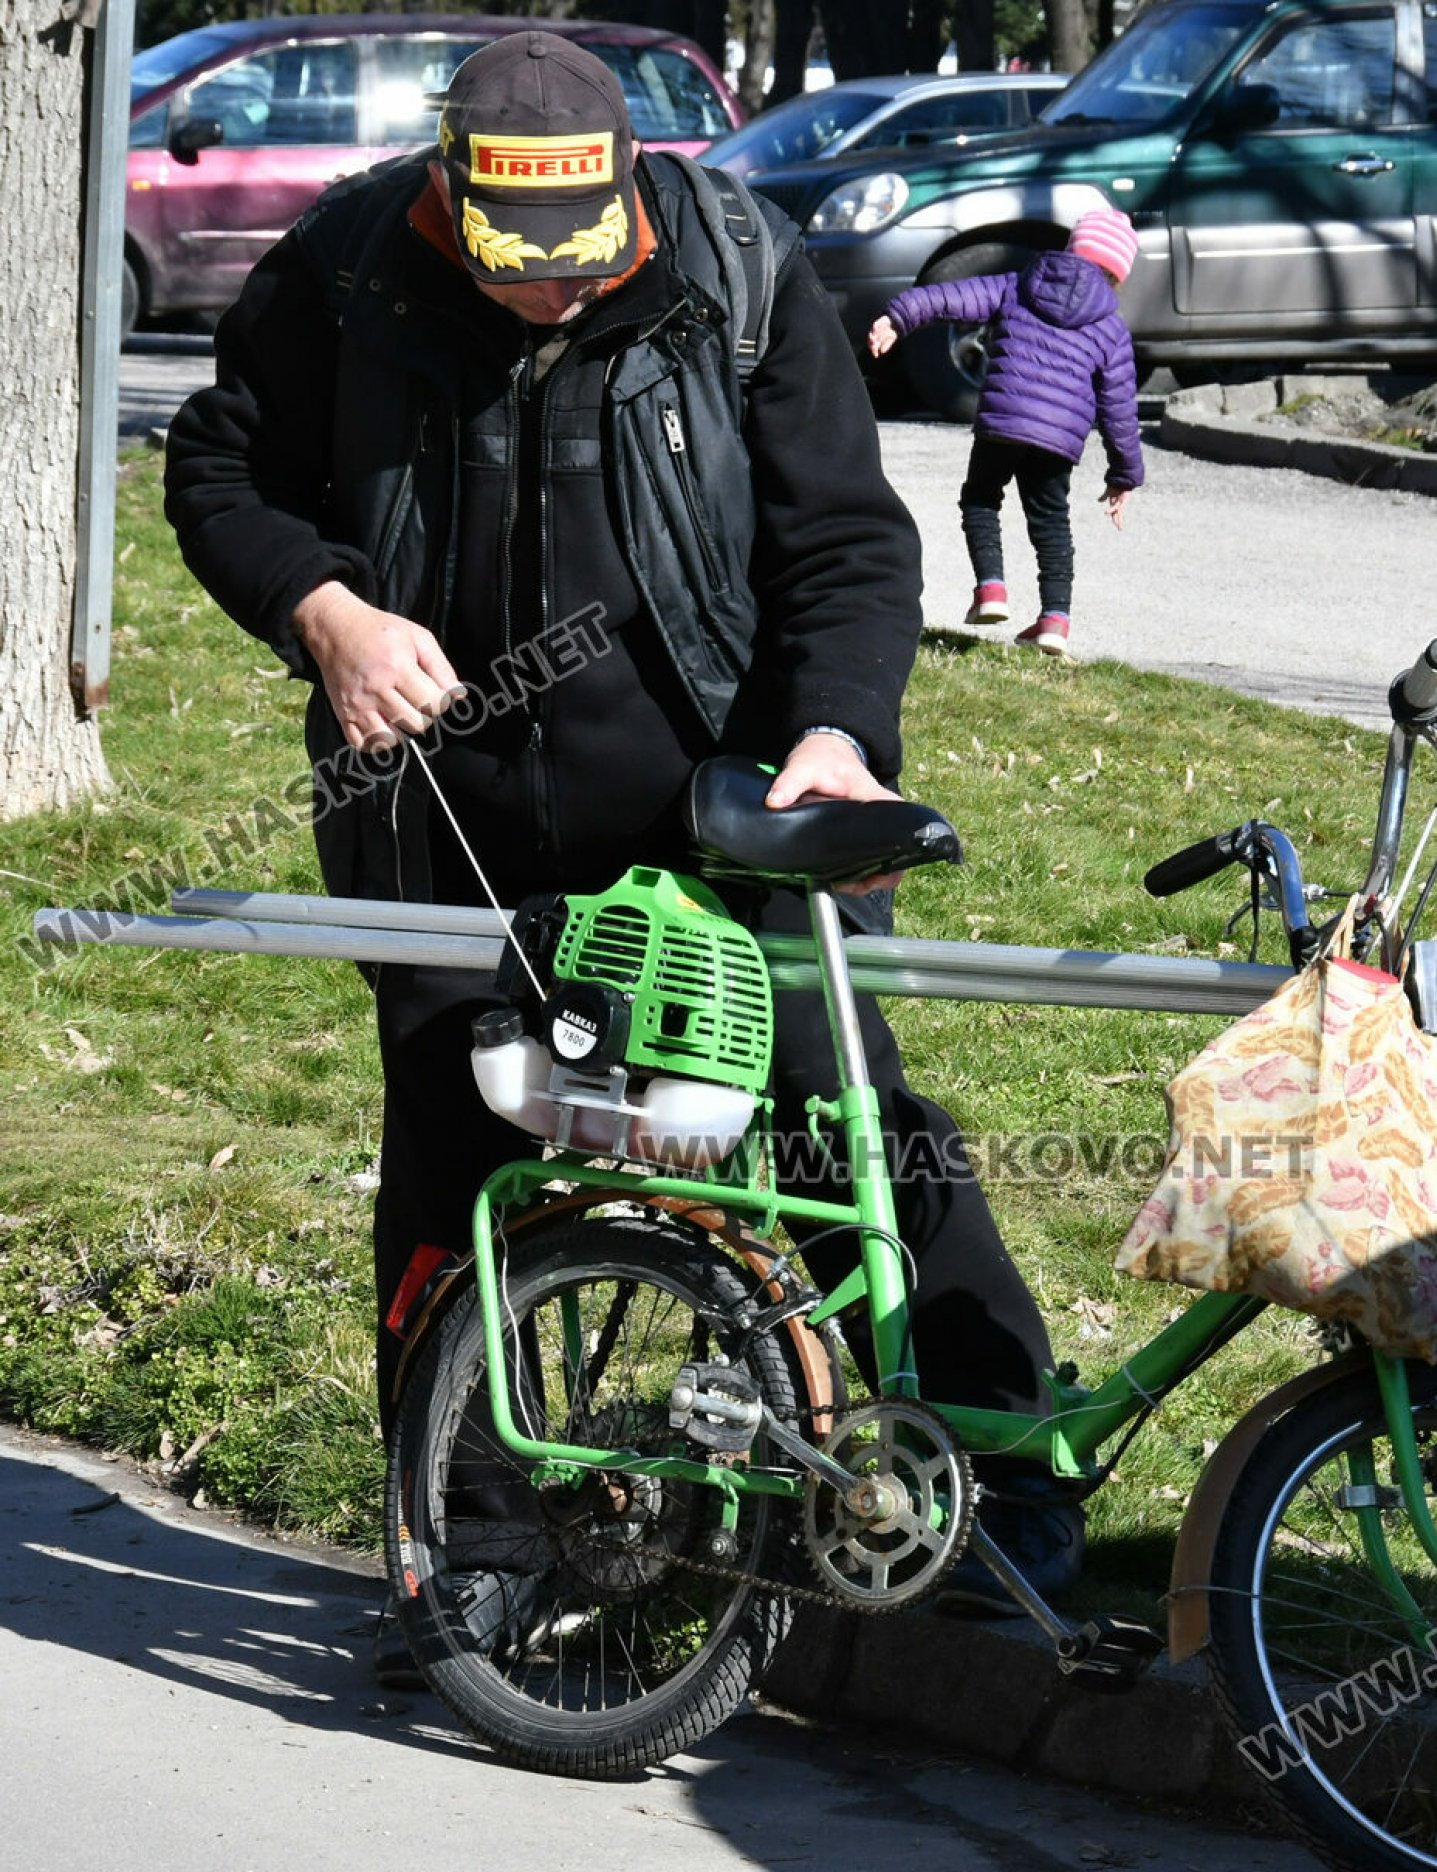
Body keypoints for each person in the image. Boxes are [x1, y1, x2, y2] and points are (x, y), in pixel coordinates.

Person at [162, 31, 1078, 1661]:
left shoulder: (733, 267)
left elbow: (844, 541)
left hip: (713, 808)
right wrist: (325, 613)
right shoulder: (349, 273)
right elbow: (218, 467)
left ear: (626, 195)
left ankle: (1004, 1472)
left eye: (583, 268)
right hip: (435, 816)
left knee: (835, 1104)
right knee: (460, 1157)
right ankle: (482, 1536)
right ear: (450, 202)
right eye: (518, 274)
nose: (554, 299)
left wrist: (838, 731)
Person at [867, 209, 1145, 658]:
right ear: (1117, 274)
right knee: (1051, 521)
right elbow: (1119, 409)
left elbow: (949, 299)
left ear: (1072, 251)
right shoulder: (1111, 329)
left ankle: (991, 591)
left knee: (981, 499)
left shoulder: (1018, 284)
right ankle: (1055, 620)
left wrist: (897, 318)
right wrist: (1124, 474)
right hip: (1059, 440)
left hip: (1003, 421)